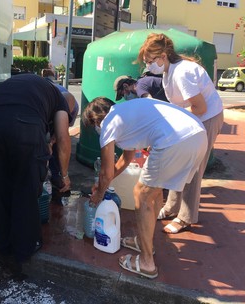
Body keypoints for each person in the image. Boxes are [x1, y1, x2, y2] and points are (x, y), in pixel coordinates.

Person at [82, 96, 207, 279]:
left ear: (96, 119)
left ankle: (147, 262)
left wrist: (98, 193)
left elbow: (106, 171)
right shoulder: (127, 115)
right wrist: (103, 184)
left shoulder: (109, 121)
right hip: (197, 135)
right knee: (153, 192)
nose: (96, 130)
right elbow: (125, 159)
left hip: (175, 139)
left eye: (93, 126)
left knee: (142, 194)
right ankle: (143, 242)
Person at [0, 73, 72, 264]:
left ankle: (2, 245)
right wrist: (64, 175)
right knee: (26, 187)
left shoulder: (29, 86)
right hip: (24, 125)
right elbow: (64, 138)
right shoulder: (62, 101)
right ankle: (24, 249)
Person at [137, 33, 224, 234]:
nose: (149, 65)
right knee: (180, 163)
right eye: (147, 62)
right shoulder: (169, 71)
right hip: (194, 119)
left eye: (150, 61)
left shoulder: (182, 72)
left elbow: (200, 107)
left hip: (207, 118)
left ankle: (186, 217)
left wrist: (173, 124)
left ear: (164, 55)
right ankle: (170, 207)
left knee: (192, 168)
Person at [41, 68, 79, 193]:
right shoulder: (48, 97)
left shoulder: (72, 106)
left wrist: (52, 142)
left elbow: (63, 133)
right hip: (41, 114)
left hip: (51, 115)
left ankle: (58, 183)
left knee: (58, 150)